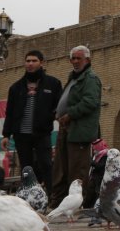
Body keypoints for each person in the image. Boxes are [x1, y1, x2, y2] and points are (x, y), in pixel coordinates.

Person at [1, 50, 63, 189]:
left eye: (34, 61)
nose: (30, 63)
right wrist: (6, 134)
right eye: (28, 61)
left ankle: (52, 196)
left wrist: (50, 117)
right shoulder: (15, 87)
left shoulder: (53, 84)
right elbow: (9, 112)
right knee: (26, 168)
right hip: (21, 135)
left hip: (42, 132)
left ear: (41, 63)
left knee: (46, 164)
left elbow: (59, 106)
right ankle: (28, 196)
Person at [50, 45, 102, 208]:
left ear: (88, 60)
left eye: (79, 58)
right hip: (66, 129)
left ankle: (77, 205)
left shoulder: (90, 78)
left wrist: (70, 114)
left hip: (79, 130)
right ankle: (58, 203)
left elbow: (90, 101)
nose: (75, 61)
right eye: (73, 58)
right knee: (61, 168)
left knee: (77, 170)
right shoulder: (73, 78)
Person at [83, 138, 109, 208]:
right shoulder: (99, 154)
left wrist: (91, 162)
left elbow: (100, 166)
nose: (94, 149)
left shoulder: (105, 155)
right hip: (94, 178)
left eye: (95, 147)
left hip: (99, 179)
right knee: (90, 194)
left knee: (94, 195)